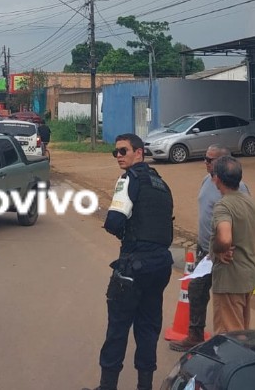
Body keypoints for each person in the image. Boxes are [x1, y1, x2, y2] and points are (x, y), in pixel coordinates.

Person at [83, 134, 174, 390]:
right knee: (148, 330)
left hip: (134, 265)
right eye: (116, 153)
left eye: (123, 151)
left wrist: (126, 233)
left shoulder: (128, 179)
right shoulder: (161, 183)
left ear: (139, 153)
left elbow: (114, 221)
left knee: (118, 330)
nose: (119, 156)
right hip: (160, 266)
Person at [169, 145, 250, 352]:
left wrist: (226, 246)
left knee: (226, 304)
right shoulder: (207, 181)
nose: (205, 162)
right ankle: (195, 334)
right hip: (205, 249)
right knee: (197, 290)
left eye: (210, 160)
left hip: (224, 253)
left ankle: (230, 346)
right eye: (205, 158)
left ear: (223, 163)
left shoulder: (238, 189)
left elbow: (242, 222)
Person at [210, 156, 255, 335]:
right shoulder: (249, 201)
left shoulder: (223, 206)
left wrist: (218, 250)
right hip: (247, 275)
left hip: (229, 279)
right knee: (242, 333)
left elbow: (224, 239)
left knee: (228, 337)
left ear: (217, 178)